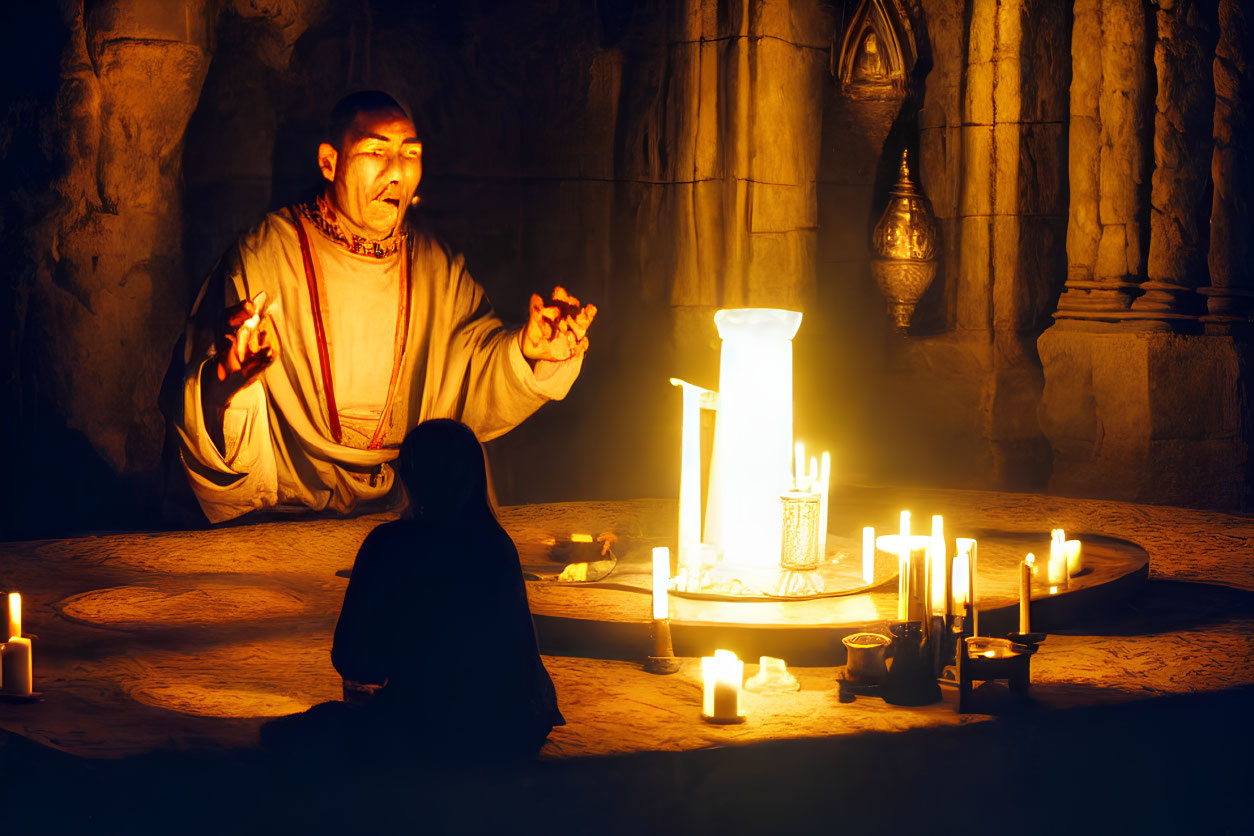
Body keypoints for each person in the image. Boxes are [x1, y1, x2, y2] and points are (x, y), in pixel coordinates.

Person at [163, 90, 595, 524]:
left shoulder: (435, 266)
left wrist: (527, 351)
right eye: (376, 151)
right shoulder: (267, 254)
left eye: (411, 154)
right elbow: (202, 391)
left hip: (404, 508)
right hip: (283, 511)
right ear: (329, 163)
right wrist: (228, 381)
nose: (396, 172)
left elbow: (472, 376)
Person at [264, 419, 563, 760]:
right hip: (514, 725)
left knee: (286, 738)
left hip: (434, 725)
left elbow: (355, 660)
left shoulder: (390, 545)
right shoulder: (496, 544)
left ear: (409, 476)